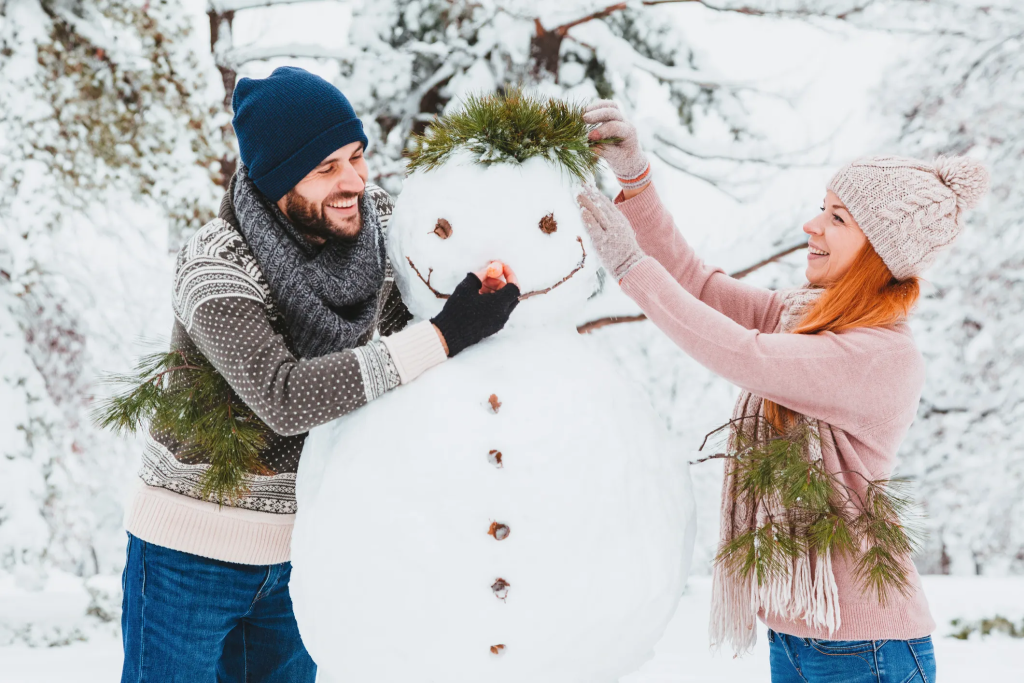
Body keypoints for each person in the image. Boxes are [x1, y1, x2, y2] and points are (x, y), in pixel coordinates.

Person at [119, 67, 520, 683]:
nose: (355, 182)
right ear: (278, 178)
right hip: (188, 556)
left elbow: (452, 241)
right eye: (327, 168)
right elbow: (284, 395)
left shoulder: (377, 228)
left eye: (357, 157)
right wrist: (444, 334)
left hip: (305, 552)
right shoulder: (216, 263)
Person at [579, 100, 990, 683]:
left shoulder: (881, 356)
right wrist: (635, 179)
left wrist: (628, 266)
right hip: (799, 634)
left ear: (878, 252)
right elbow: (698, 286)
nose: (812, 226)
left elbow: (743, 355)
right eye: (822, 209)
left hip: (867, 647)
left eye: (838, 218)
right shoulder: (803, 318)